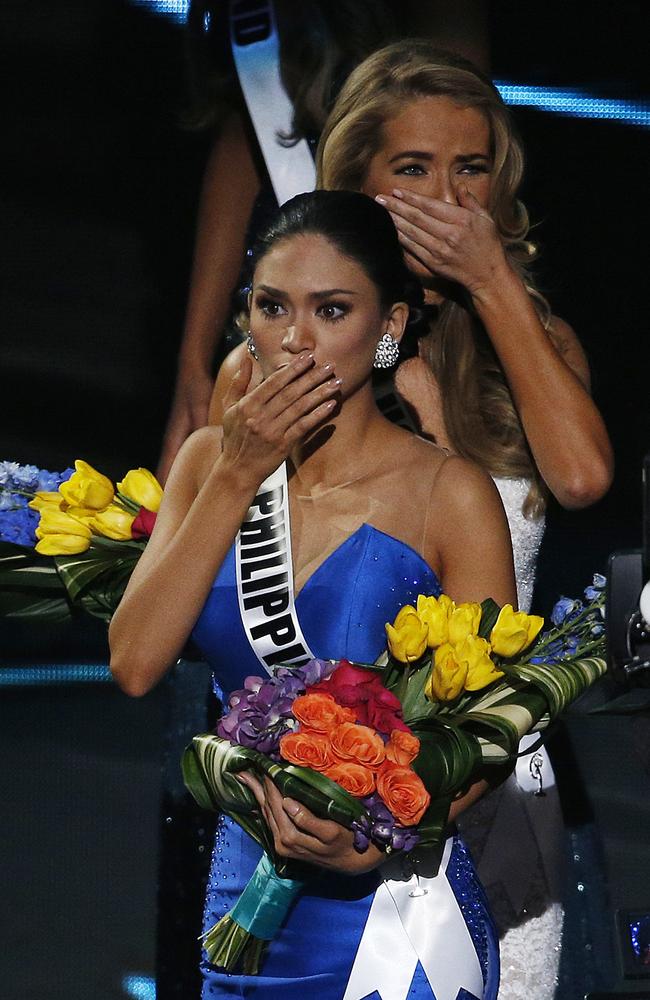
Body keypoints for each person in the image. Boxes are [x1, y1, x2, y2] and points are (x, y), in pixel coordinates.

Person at [208, 42, 614, 998]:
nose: (447, 196)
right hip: (320, 796)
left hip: (491, 781)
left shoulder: (537, 344)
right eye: (413, 169)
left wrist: (491, 281)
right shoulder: (270, 367)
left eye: (469, 169)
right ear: (356, 183)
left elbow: (586, 478)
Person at [111, 190, 516, 998]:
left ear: (390, 327)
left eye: (331, 310)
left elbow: (495, 724)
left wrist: (385, 827)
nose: (295, 340)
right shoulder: (207, 465)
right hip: (247, 906)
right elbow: (134, 663)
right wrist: (235, 470)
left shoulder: (449, 492)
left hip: (397, 915)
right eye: (271, 308)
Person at [157, 1, 491, 482]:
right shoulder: (250, 360)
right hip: (290, 295)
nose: (444, 187)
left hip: (431, 327)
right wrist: (193, 366)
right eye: (415, 168)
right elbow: (240, 129)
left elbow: (459, 112)